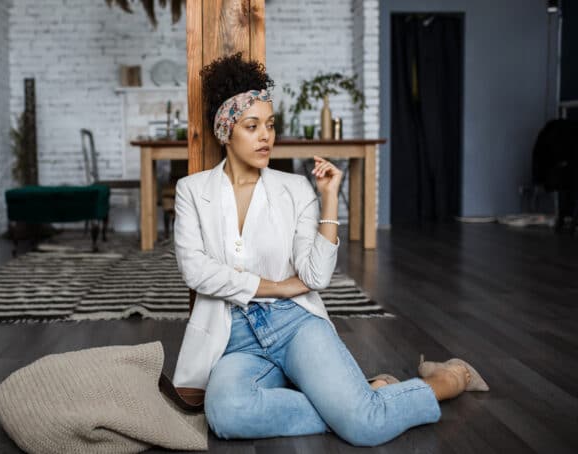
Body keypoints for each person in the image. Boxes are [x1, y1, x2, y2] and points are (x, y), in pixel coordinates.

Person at [170, 53, 489, 447]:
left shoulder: (295, 189)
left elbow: (315, 277)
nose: (266, 136)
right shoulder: (192, 191)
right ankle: (360, 397)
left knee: (366, 427)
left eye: (270, 125)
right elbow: (196, 271)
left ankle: (448, 379)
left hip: (295, 323)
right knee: (226, 413)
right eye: (252, 127)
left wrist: (330, 199)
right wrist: (278, 286)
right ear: (225, 131)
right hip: (232, 335)